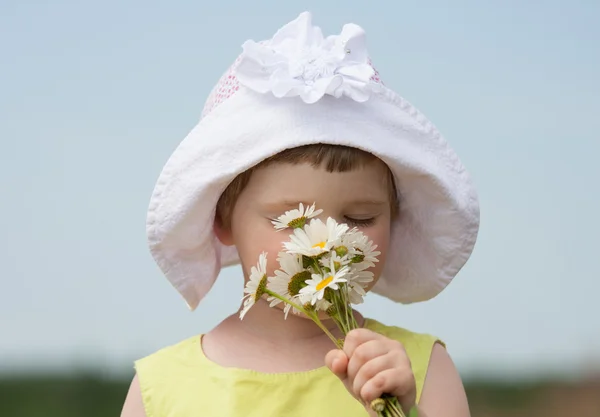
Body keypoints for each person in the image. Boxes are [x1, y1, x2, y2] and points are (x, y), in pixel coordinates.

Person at [121, 11, 479, 417]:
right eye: (289, 220)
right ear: (222, 220)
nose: (328, 242)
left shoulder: (417, 371)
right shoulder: (162, 388)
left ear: (396, 221)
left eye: (361, 218)